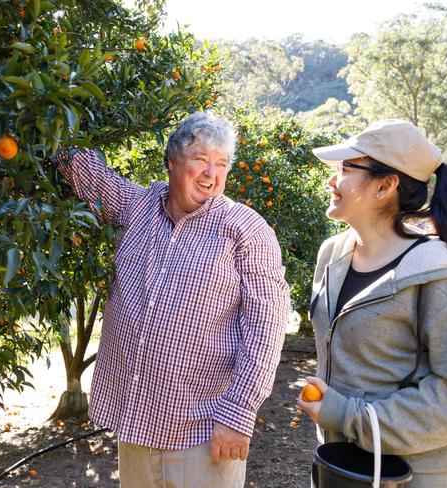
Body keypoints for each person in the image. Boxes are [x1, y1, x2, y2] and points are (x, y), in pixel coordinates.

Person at [54, 111, 291, 487]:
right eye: (199, 160)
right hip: (137, 426)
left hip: (203, 434)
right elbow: (92, 178)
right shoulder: (139, 206)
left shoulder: (245, 230)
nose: (211, 175)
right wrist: (48, 115)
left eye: (221, 165)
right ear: (171, 161)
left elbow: (267, 328)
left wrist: (238, 414)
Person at [298, 119, 447, 487]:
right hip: (341, 468)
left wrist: (346, 415)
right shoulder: (332, 255)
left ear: (385, 185)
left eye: (346, 168)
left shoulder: (437, 274)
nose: (332, 181)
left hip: (410, 474)